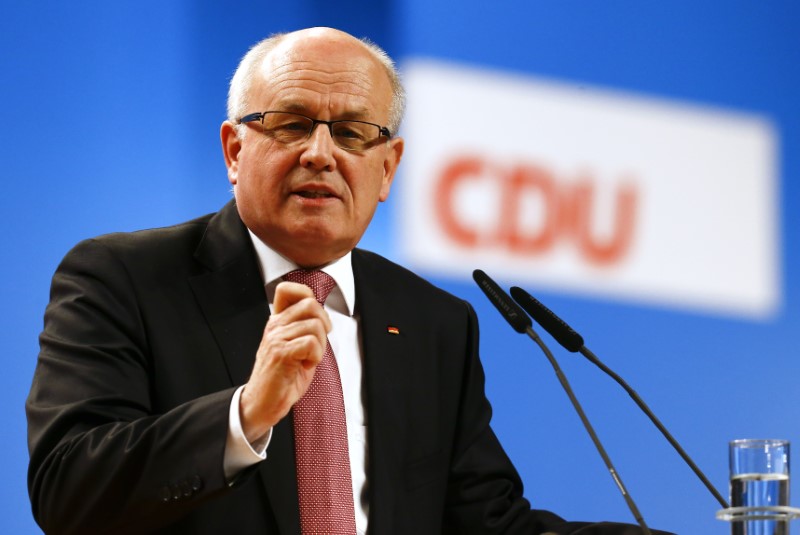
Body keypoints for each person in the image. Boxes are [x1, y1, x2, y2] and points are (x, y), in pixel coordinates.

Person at [26, 27, 673, 535]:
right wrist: (247, 413)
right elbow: (66, 489)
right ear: (233, 150)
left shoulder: (432, 323)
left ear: (387, 168)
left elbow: (488, 525)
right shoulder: (123, 279)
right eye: (290, 123)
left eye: (353, 133)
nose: (320, 152)